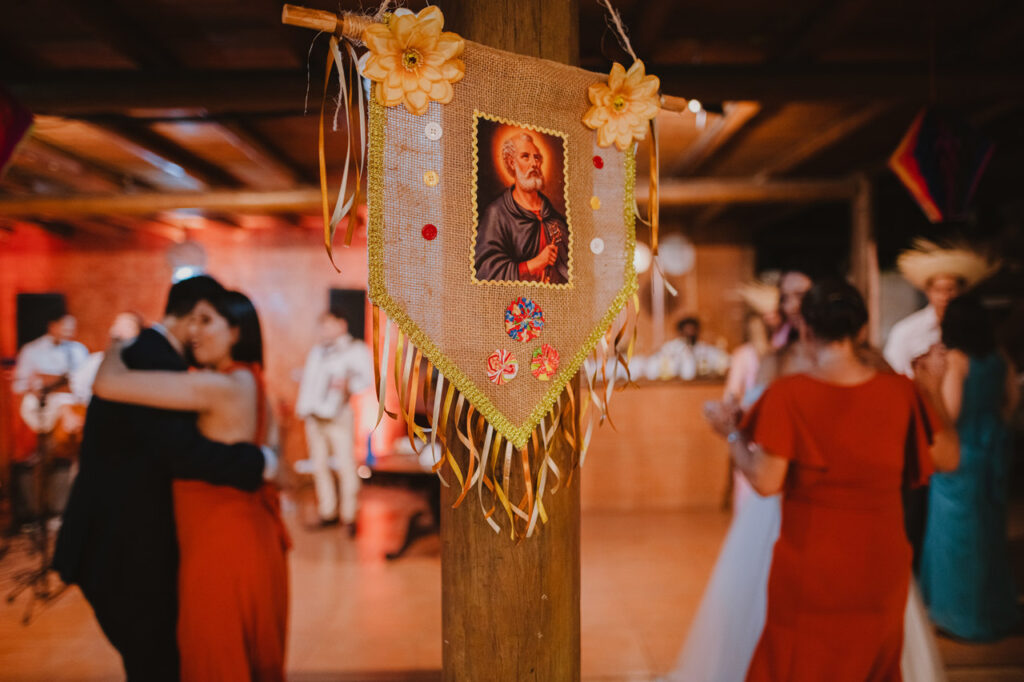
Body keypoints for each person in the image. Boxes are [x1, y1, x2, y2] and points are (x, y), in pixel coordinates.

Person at [705, 280, 959, 681]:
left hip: (813, 563)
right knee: (873, 665)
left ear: (806, 329)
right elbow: (948, 457)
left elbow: (766, 482)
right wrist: (932, 392)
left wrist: (732, 436)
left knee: (799, 663)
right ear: (861, 330)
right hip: (881, 561)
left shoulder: (789, 394)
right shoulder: (901, 392)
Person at [52, 276, 272, 682]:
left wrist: (115, 348)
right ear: (187, 319)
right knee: (159, 662)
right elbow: (182, 453)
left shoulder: (146, 353)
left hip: (129, 540)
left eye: (210, 321)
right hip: (126, 549)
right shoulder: (158, 360)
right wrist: (260, 464)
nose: (200, 331)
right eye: (200, 319)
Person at [884, 239, 1001, 571]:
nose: (945, 296)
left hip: (962, 440)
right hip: (921, 437)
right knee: (916, 517)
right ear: (928, 291)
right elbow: (894, 384)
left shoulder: (976, 338)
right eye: (939, 289)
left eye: (952, 289)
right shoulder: (906, 333)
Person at [919, 295, 1021, 640]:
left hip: (961, 457)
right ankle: (995, 610)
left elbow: (951, 413)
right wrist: (993, 427)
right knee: (989, 533)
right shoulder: (999, 357)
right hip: (992, 453)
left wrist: (929, 391)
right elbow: (1011, 402)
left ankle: (961, 615)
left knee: (957, 537)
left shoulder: (957, 360)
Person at [295, 310, 373, 530]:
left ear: (342, 324)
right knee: (319, 465)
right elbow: (310, 382)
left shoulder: (355, 349)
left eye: (329, 324)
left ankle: (349, 514)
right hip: (314, 414)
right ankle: (327, 511)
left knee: (345, 464)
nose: (325, 330)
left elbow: (366, 379)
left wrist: (348, 386)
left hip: (338, 413)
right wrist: (304, 408)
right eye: (323, 325)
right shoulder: (318, 351)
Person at [474, 132, 569, 284]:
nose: (534, 163)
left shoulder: (554, 218)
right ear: (512, 163)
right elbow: (485, 271)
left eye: (536, 157)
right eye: (525, 156)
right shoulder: (496, 214)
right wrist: (535, 264)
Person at [723, 281, 781, 403]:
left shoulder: (786, 348)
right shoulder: (745, 354)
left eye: (776, 314)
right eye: (768, 315)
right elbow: (732, 393)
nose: (771, 318)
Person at [70, 311, 144, 402]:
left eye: (128, 325)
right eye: (117, 323)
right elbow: (78, 387)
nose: (121, 328)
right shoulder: (96, 360)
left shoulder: (138, 368)